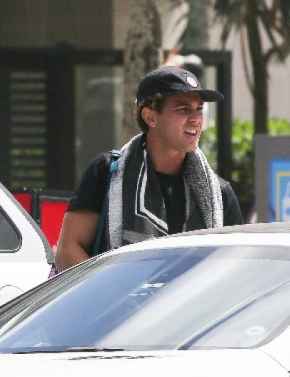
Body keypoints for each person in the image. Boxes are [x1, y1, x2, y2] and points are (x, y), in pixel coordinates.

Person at [55, 65, 243, 271]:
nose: (196, 118)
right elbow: (68, 250)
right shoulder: (108, 172)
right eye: (183, 109)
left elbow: (234, 267)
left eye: (198, 109)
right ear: (150, 117)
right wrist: (114, 289)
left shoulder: (218, 193)